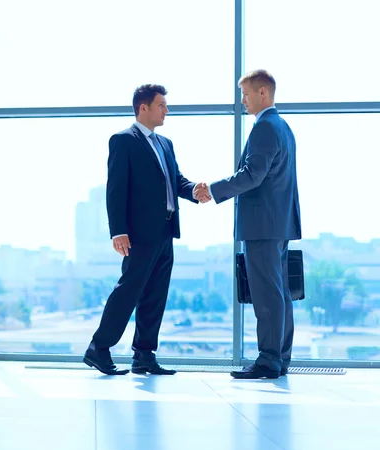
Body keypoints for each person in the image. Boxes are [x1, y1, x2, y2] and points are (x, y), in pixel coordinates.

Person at [83, 84, 209, 376]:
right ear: (144, 108)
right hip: (138, 233)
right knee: (129, 290)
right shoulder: (123, 140)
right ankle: (98, 348)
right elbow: (115, 189)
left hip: (166, 230)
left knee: (155, 294)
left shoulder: (166, 144)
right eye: (161, 105)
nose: (167, 110)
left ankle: (144, 355)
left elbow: (176, 181)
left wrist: (195, 191)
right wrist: (118, 230)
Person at [195, 70, 302, 379]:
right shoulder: (283, 127)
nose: (241, 100)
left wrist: (213, 191)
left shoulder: (265, 128)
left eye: (245, 94)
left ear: (263, 92)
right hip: (278, 224)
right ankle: (279, 357)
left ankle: (269, 360)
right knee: (279, 291)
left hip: (262, 226)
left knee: (267, 294)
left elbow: (252, 175)